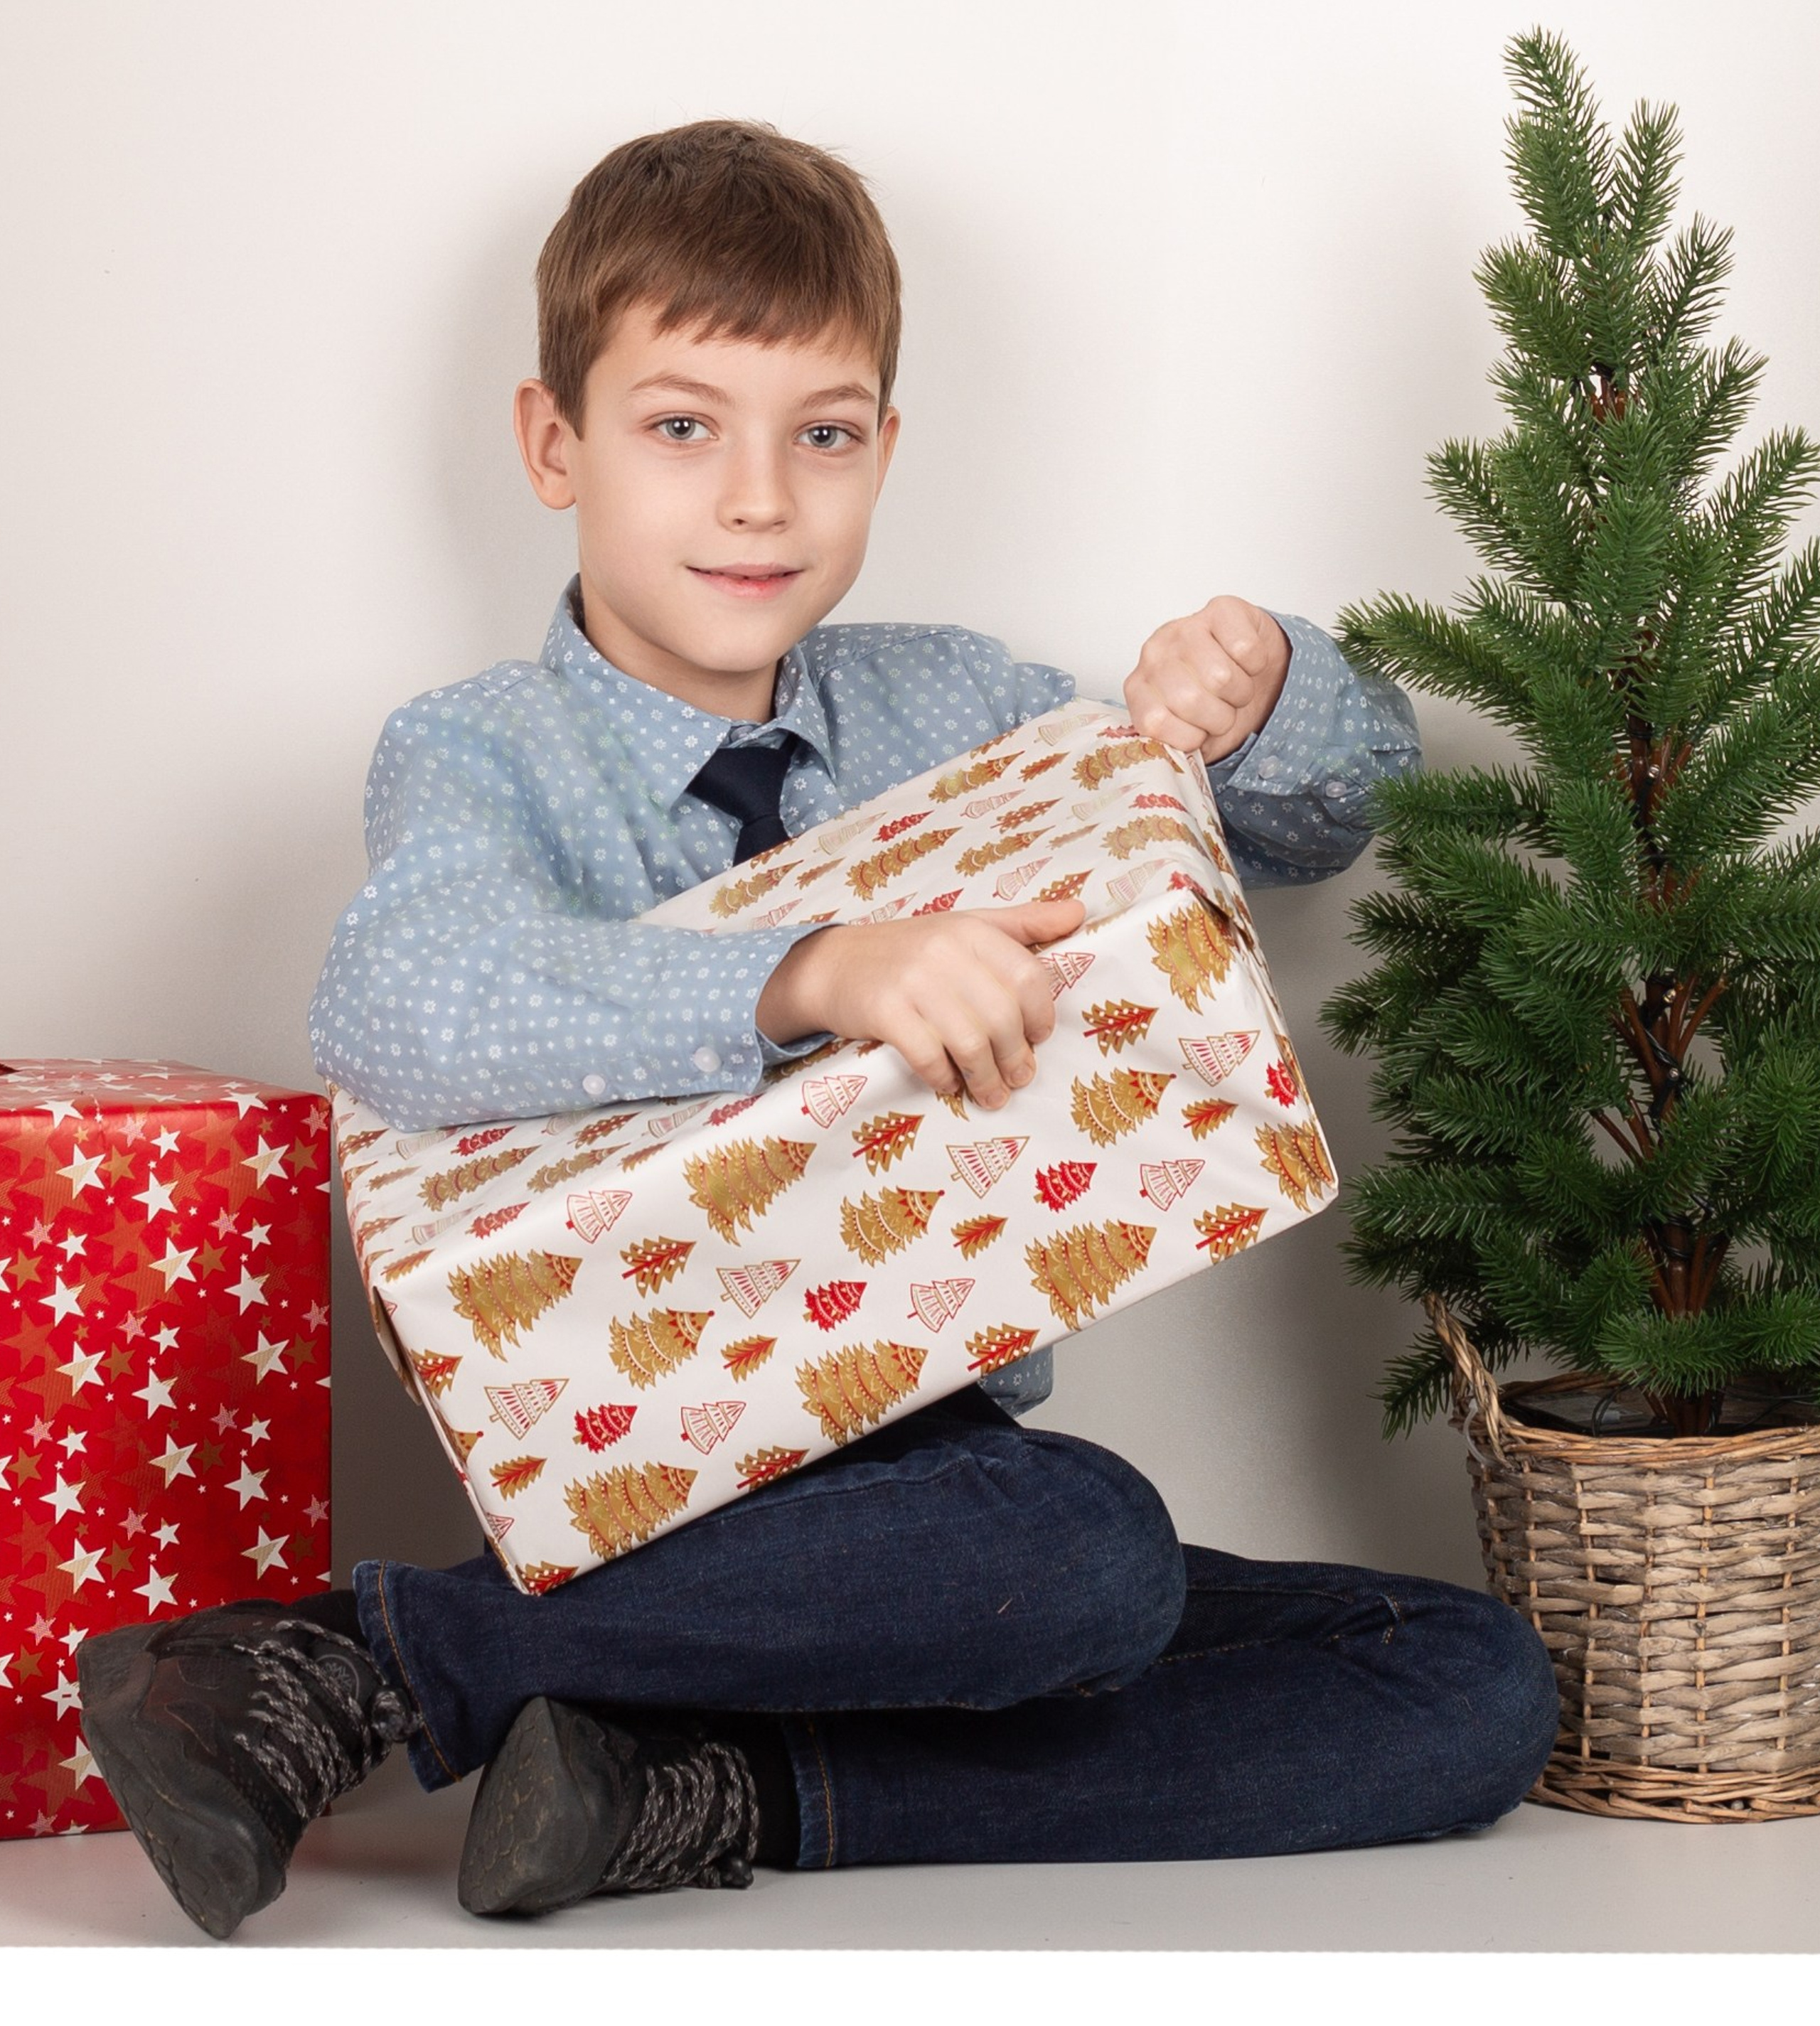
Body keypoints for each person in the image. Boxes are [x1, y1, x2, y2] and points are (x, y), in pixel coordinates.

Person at [79, 120, 1558, 1941]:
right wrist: (806, 970)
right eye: (682, 425)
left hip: (931, 1499)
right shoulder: (478, 752)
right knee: (1080, 1551)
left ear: (883, 450)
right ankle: (363, 1659)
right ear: (556, 444)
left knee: (1465, 1681)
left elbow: (1298, 823)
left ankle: (689, 1791)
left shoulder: (949, 699)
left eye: (824, 433)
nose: (759, 500)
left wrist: (1255, 705)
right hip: (668, 1486)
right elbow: (399, 1003)